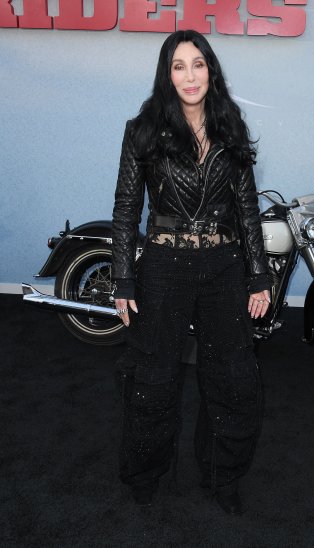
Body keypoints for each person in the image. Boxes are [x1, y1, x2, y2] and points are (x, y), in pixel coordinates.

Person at [111, 29, 270, 515]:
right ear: (167, 74)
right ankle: (145, 473)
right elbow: (126, 209)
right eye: (178, 66)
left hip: (223, 268)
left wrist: (258, 276)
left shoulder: (230, 126)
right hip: (164, 268)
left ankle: (224, 475)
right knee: (153, 380)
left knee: (232, 379)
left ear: (210, 70)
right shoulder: (143, 129)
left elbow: (246, 208)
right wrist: (123, 278)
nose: (190, 75)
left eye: (197, 64)